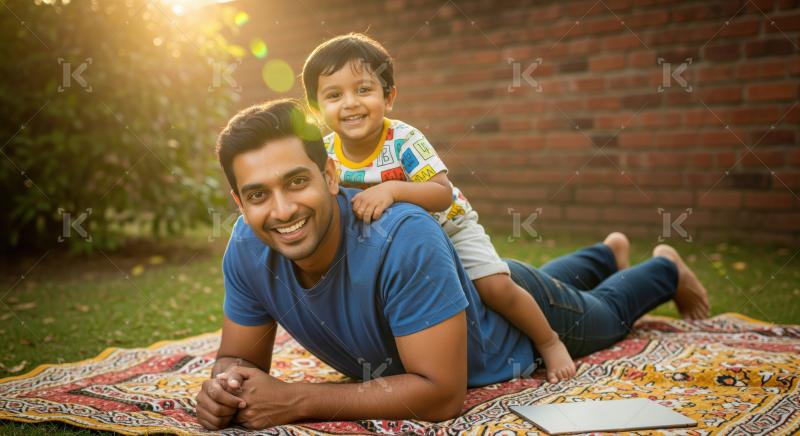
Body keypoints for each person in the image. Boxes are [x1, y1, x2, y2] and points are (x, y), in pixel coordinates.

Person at [194, 99, 709, 430]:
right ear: (239, 202)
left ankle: (665, 267)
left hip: (514, 331)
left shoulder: (403, 237)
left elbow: (441, 396)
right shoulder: (246, 245)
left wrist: (300, 399)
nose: (281, 211)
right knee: (550, 280)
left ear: (330, 175)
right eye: (259, 194)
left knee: (606, 312)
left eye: (297, 181)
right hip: (463, 284)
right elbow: (237, 359)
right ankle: (605, 252)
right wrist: (225, 385)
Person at [301, 32, 577, 384]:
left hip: (451, 228)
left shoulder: (403, 140)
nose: (350, 103)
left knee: (493, 287)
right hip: (396, 250)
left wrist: (392, 190)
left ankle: (549, 341)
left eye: (364, 90)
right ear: (316, 109)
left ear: (389, 97)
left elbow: (440, 193)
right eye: (334, 95)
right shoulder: (326, 155)